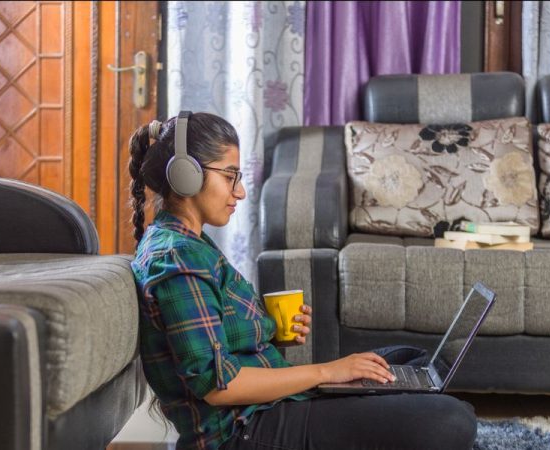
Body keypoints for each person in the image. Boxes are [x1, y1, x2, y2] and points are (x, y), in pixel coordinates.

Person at [129, 112, 478, 450]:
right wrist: (327, 372)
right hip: (241, 431)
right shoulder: (176, 259)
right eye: (230, 176)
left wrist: (268, 327)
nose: (240, 192)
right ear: (186, 176)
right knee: (451, 420)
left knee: (410, 362)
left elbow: (214, 335)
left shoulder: (188, 244)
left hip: (266, 409)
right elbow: (219, 386)